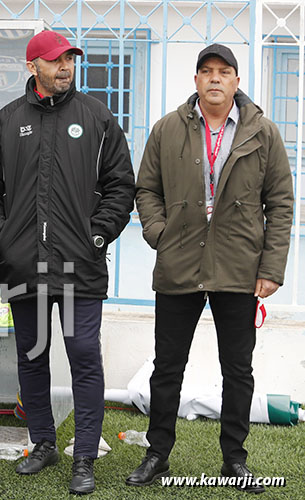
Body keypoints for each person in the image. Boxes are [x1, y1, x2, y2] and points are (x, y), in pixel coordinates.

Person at [128, 44, 293, 493]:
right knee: (168, 367)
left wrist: (271, 268)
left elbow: (280, 204)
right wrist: (160, 234)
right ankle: (157, 454)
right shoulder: (167, 129)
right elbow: (146, 189)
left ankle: (234, 461)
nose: (215, 78)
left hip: (239, 267)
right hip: (179, 262)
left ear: (237, 81)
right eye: (207, 71)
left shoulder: (263, 132)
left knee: (237, 368)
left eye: (224, 72)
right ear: (196, 80)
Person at [0, 30, 135, 494]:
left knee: (84, 354)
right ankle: (42, 443)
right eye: (55, 60)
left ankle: (83, 454)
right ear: (33, 67)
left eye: (70, 59)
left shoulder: (97, 117)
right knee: (32, 355)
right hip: (22, 264)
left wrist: (98, 234)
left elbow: (121, 185)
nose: (65, 67)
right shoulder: (6, 121)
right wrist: (1, 239)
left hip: (80, 264)